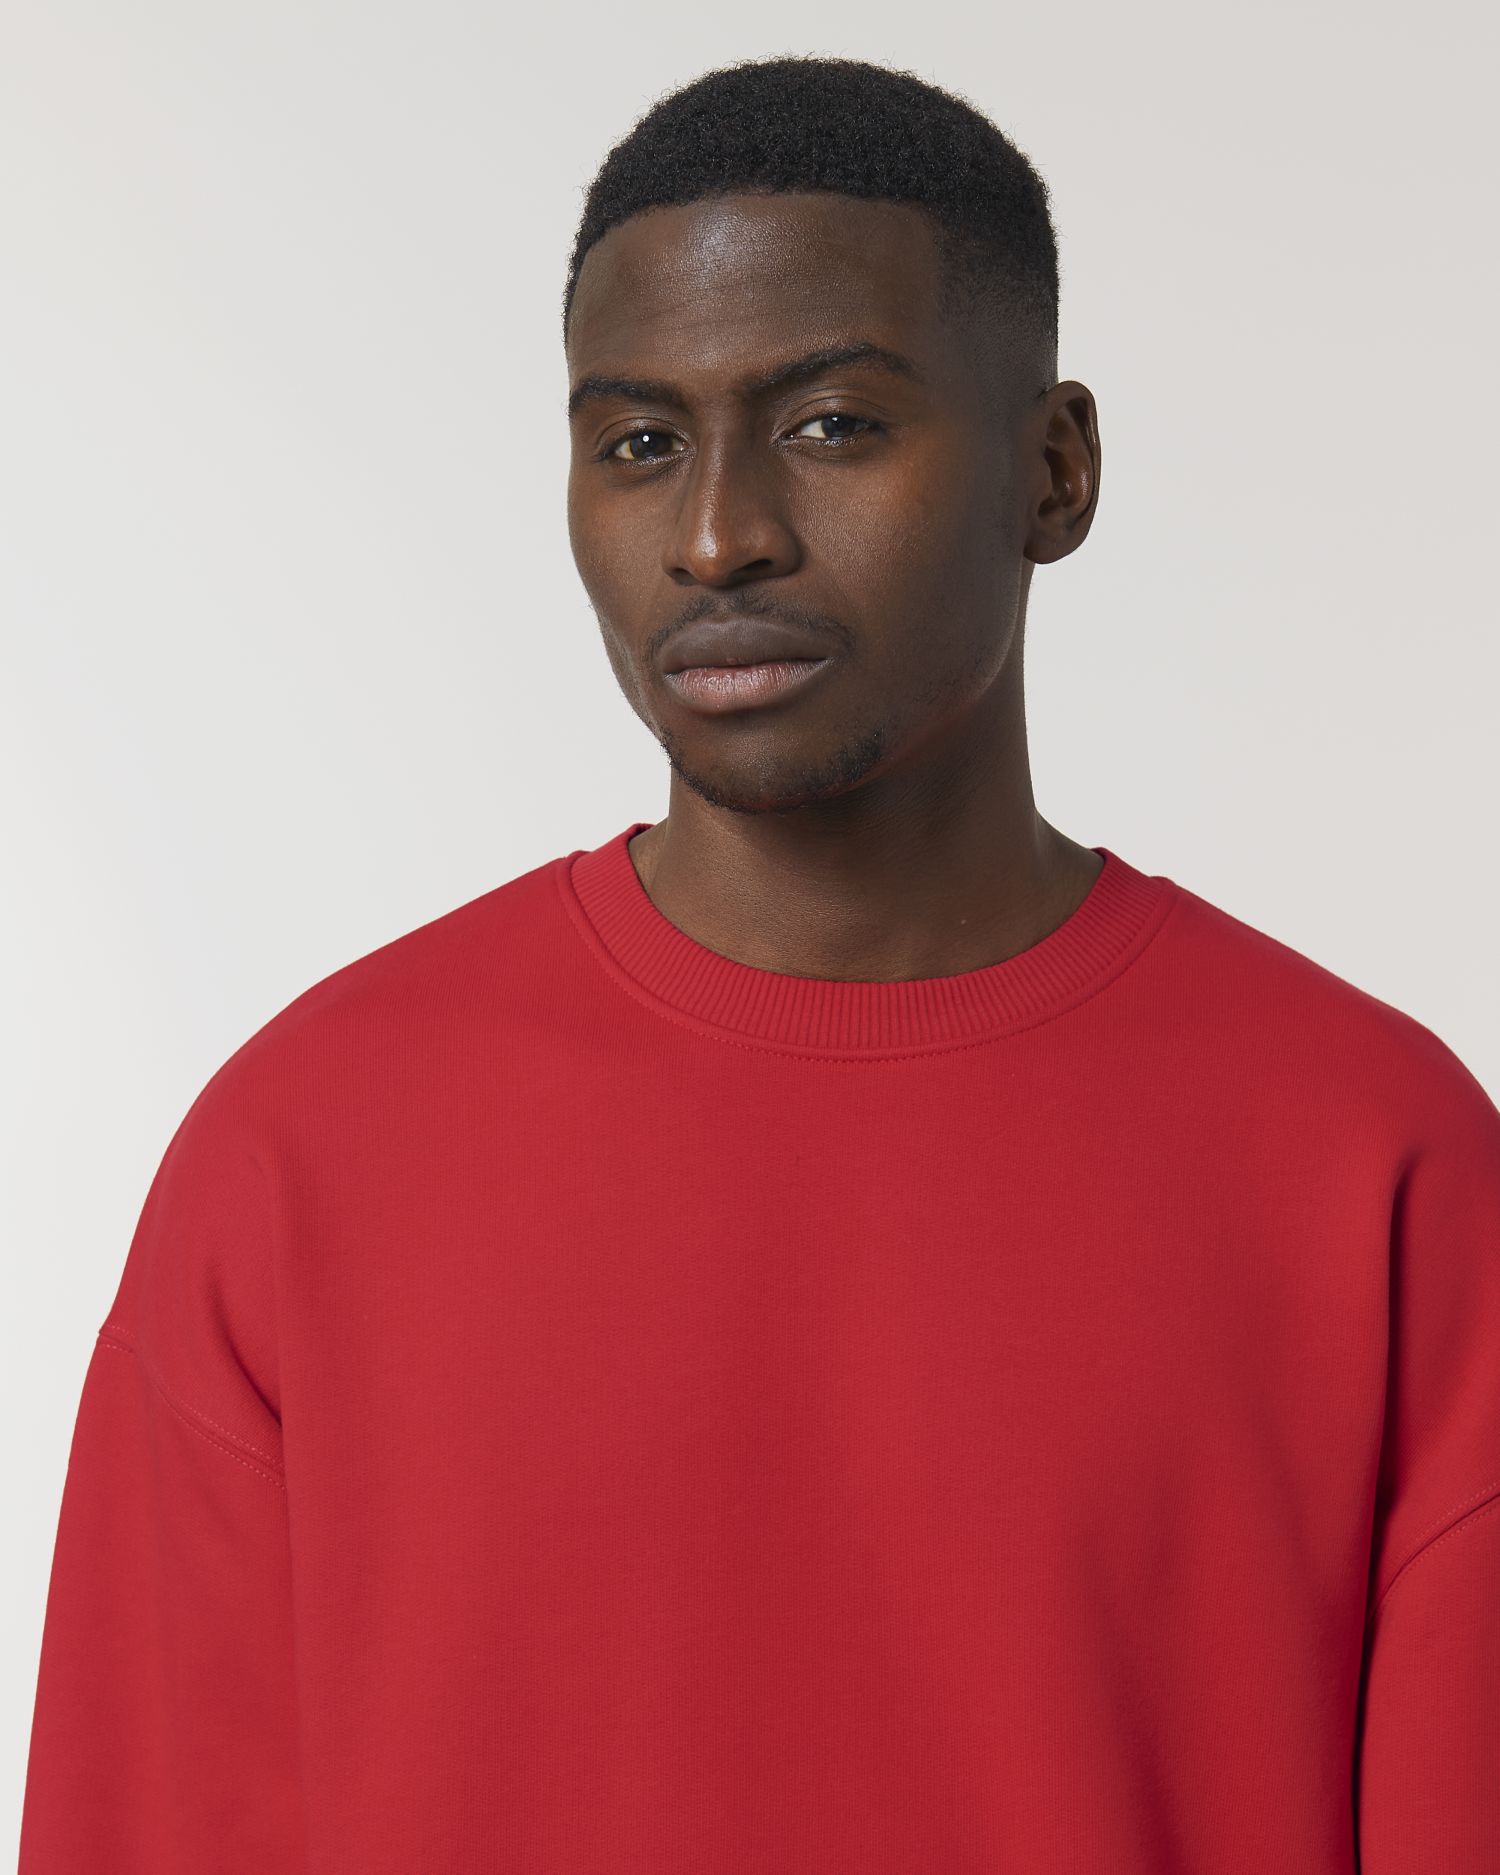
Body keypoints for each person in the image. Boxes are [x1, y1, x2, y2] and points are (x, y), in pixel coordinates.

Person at [18, 53, 1499, 1874]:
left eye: (833, 425)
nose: (719, 537)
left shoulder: (1373, 1160)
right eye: (641, 444)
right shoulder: (300, 1152)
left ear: (1055, 470)